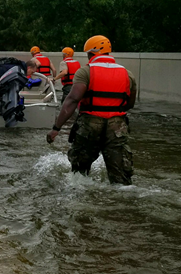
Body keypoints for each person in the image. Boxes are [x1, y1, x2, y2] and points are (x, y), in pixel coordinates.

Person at [46, 35, 137, 185]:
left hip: (90, 124)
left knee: (79, 174)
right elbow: (130, 104)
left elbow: (72, 100)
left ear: (90, 53)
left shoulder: (85, 72)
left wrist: (56, 128)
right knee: (121, 178)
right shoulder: (127, 74)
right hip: (117, 126)